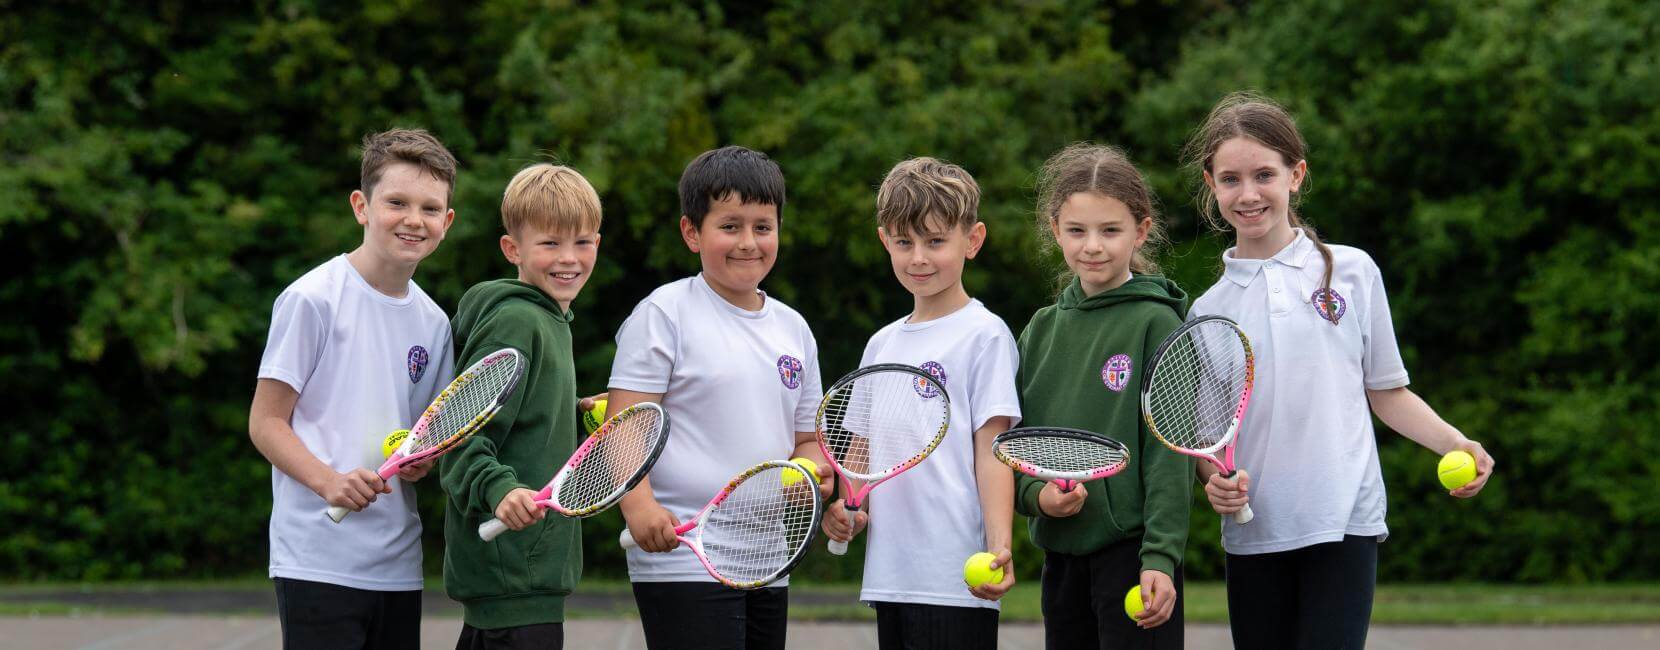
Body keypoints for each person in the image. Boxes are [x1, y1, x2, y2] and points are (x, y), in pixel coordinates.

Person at [1182, 91, 1497, 649]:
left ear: (1296, 175)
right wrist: (1216, 484)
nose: (1248, 194)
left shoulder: (1352, 271)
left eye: (1264, 175)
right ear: (1212, 185)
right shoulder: (1208, 310)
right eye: (1231, 179)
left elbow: (1388, 392)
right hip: (1257, 532)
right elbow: (1208, 443)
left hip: (1345, 518)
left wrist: (1456, 440)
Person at [608, 146, 830, 649]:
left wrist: (810, 477)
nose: (748, 242)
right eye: (730, 226)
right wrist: (640, 508)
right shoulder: (663, 313)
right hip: (683, 554)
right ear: (692, 233)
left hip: (769, 558)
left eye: (763, 226)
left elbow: (808, 442)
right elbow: (623, 430)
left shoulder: (794, 328)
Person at [249, 128, 459, 649]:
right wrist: (329, 482)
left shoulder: (434, 323)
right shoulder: (312, 299)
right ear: (361, 206)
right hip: (318, 558)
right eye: (397, 202)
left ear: (447, 222)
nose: (414, 219)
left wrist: (420, 460)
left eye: (430, 208)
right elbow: (265, 422)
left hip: (396, 565)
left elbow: (418, 439)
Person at [820, 157, 1021, 649]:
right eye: (904, 242)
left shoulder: (985, 335)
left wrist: (1000, 546)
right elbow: (863, 451)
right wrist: (845, 506)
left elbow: (993, 450)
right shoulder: (881, 345)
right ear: (885, 239)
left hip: (956, 573)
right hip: (890, 572)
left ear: (971, 240)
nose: (919, 258)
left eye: (935, 241)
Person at [1014, 143, 1192, 649]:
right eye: (1077, 231)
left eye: (1110, 231)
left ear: (1141, 230)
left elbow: (1168, 455)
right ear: (1055, 231)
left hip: (1133, 557)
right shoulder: (1041, 330)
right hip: (1062, 559)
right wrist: (1037, 497)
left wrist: (1160, 556)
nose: (1093, 246)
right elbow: (1018, 442)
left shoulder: (1158, 322)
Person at [440, 163, 605, 649]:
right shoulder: (516, 321)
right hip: (510, 576)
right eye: (550, 243)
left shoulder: (552, 319)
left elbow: (518, 416)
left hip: (524, 580)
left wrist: (572, 410)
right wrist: (499, 490)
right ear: (514, 249)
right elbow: (457, 434)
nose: (569, 258)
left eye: (583, 242)